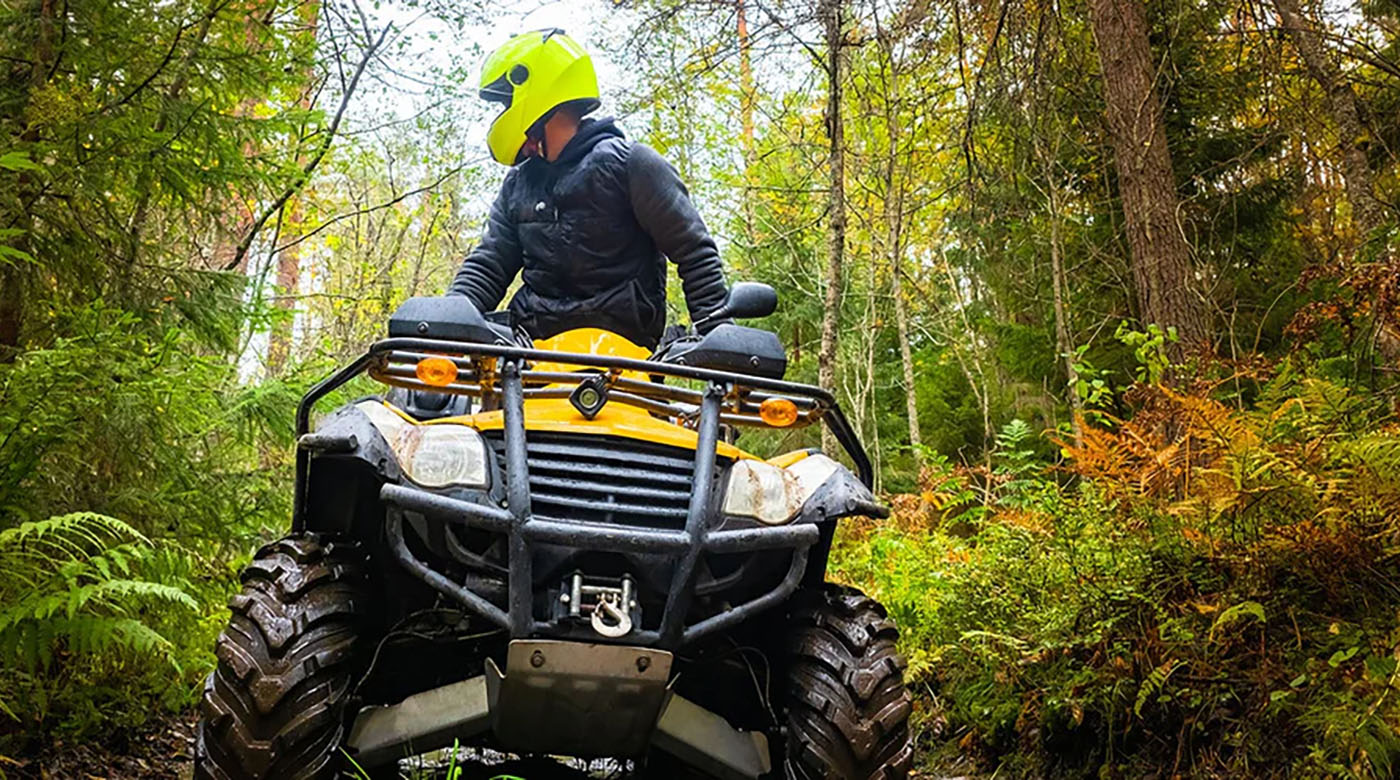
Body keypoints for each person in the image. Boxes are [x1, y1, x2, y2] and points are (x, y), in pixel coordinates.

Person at [449, 29, 730, 350]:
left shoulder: (632, 165)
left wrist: (717, 335)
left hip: (626, 357)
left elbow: (694, 253)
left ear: (534, 88)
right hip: (528, 354)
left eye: (506, 101)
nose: (503, 113)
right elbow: (491, 262)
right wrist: (452, 312)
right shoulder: (518, 184)